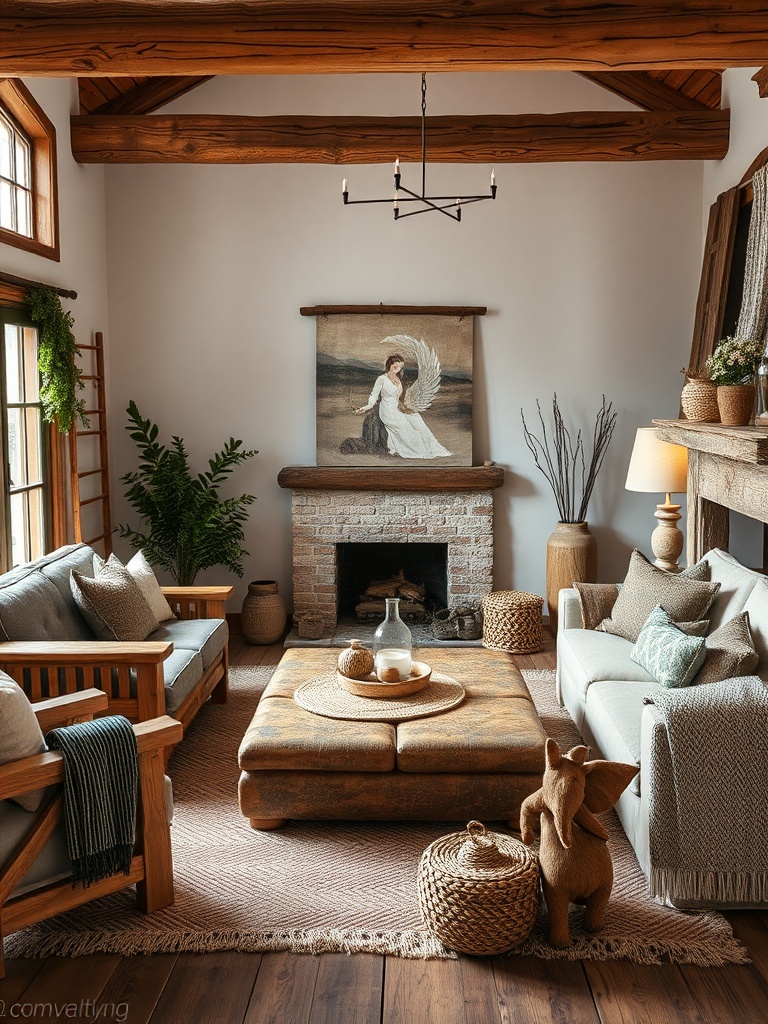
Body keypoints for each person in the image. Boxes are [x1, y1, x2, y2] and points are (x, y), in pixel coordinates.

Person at [355, 353, 451, 459]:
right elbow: (373, 395)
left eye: (399, 366)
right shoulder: (382, 378)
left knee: (416, 419)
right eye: (394, 366)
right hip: (387, 409)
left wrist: (405, 409)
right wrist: (366, 407)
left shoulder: (398, 380)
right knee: (404, 427)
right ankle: (414, 449)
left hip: (397, 407)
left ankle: (428, 447)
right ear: (389, 365)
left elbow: (399, 399)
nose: (397, 368)